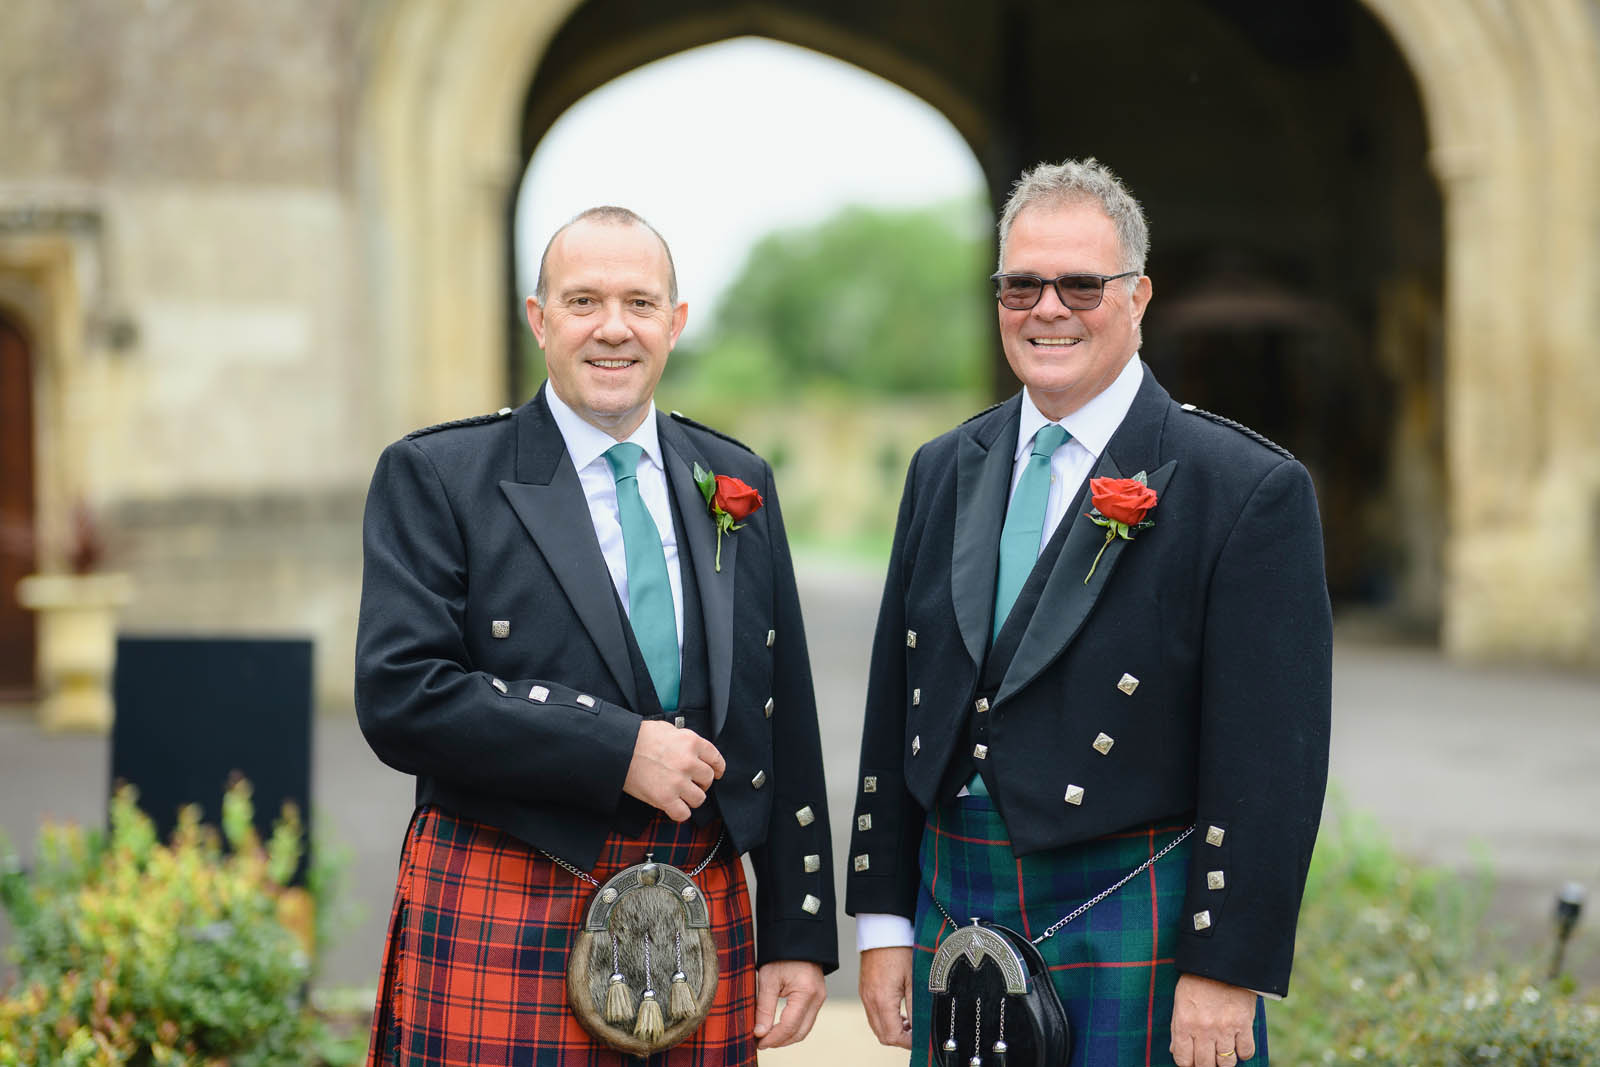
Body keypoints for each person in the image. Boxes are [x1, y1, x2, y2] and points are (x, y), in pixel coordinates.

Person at [846, 159, 1331, 1067]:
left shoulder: (1245, 487)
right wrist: (882, 918)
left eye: (1081, 283)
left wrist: (1227, 965)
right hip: (958, 899)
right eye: (1021, 283)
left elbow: (1273, 760)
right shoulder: (943, 467)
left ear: (1139, 296)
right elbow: (899, 701)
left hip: (1130, 908)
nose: (1048, 307)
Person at [356, 206, 836, 1065]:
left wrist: (798, 929)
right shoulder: (440, 476)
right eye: (583, 301)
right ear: (539, 320)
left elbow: (783, 710)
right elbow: (402, 695)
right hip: (510, 892)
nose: (613, 328)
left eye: (640, 304)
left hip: (700, 896)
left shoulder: (734, 481)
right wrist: (617, 748)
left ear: (676, 323)